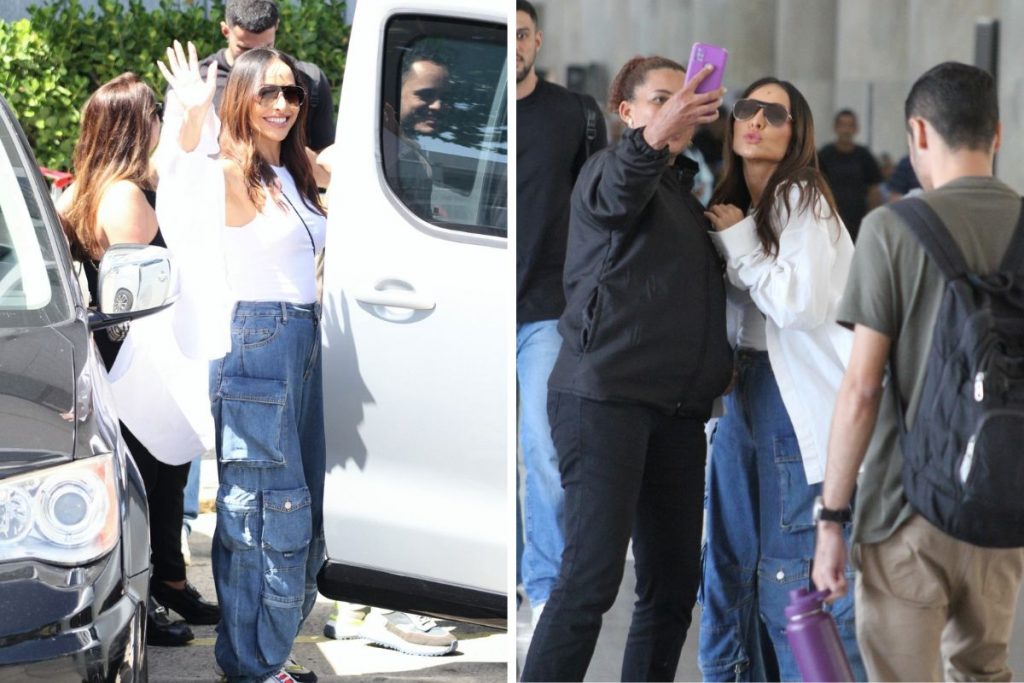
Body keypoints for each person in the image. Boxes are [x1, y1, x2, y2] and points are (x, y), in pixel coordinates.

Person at [520, 56, 732, 682]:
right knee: (589, 578)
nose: (677, 109)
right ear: (628, 111)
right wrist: (652, 139)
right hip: (604, 399)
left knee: (672, 586)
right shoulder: (609, 169)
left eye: (686, 99)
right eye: (662, 98)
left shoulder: (680, 192)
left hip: (675, 412)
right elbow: (621, 185)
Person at [812, 61, 1024, 682]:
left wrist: (831, 519)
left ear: (919, 133)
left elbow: (861, 388)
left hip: (903, 509)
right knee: (986, 669)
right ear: (998, 135)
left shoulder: (891, 229)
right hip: (1002, 501)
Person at [157, 40, 330, 683]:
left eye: (292, 93)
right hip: (257, 342)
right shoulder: (225, 173)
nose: (282, 104)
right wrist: (193, 117)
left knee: (300, 512)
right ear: (242, 98)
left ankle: (253, 658)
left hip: (303, 343)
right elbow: (176, 185)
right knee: (264, 509)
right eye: (267, 92)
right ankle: (258, 667)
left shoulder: (294, 169)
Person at [698, 78, 865, 682]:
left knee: (790, 579)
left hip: (789, 406)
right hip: (746, 391)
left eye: (776, 114)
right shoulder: (745, 203)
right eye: (748, 109)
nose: (758, 121)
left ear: (798, 132)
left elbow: (794, 304)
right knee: (733, 570)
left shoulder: (804, 197)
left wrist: (737, 241)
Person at [55, 72, 220, 647]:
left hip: (121, 357)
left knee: (164, 476)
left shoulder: (90, 186)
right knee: (148, 485)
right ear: (133, 124)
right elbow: (151, 282)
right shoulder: (124, 195)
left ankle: (169, 580)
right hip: (134, 362)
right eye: (153, 112)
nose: (159, 121)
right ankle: (143, 604)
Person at [514, 0, 606, 634]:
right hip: (470, 308)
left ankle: (543, 584)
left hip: (546, 310)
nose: (512, 46)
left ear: (538, 39)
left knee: (544, 454)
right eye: (502, 36)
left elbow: (598, 208)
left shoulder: (574, 114)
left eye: (520, 34)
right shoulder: (460, 112)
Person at [198, 0, 334, 151]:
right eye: (244, 49)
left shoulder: (309, 79)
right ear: (225, 31)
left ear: (276, 27)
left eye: (265, 48)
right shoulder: (198, 81)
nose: (257, 60)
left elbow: (324, 152)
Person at [381, 42, 450, 221]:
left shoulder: (411, 149)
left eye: (444, 97)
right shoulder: (378, 148)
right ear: (395, 91)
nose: (438, 106)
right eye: (425, 95)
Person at [817, 109, 882, 241]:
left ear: (856, 129)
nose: (846, 130)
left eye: (850, 125)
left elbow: (873, 190)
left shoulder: (864, 156)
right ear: (836, 128)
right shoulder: (824, 155)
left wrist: (873, 219)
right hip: (830, 219)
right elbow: (817, 185)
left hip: (859, 221)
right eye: (842, 125)